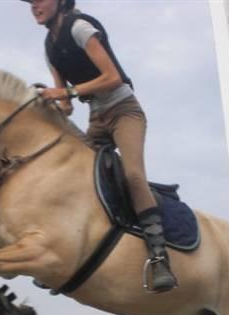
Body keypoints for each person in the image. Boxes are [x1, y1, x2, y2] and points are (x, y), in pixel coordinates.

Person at [22, 0, 177, 293]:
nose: (34, 6)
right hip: (96, 118)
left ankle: (159, 257)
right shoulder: (50, 46)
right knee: (70, 177)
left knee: (132, 176)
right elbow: (67, 106)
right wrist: (50, 100)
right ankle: (60, 253)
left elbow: (112, 77)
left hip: (124, 111)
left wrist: (64, 91)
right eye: (30, 3)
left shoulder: (80, 28)